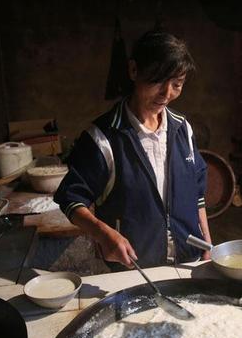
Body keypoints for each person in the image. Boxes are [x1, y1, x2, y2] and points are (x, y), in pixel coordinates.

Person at [54, 30, 211, 269]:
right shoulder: (103, 137)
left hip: (188, 262)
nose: (167, 94)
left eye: (177, 84)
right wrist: (103, 233)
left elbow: (197, 193)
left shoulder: (183, 130)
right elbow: (71, 199)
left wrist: (206, 244)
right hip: (135, 269)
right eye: (158, 81)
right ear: (134, 70)